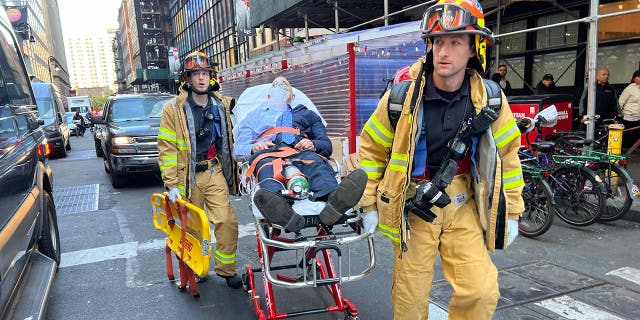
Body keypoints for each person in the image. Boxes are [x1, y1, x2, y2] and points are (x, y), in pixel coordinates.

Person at [358, 0, 525, 318]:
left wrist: (513, 211)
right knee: (411, 301)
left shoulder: (490, 98)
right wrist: (367, 203)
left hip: (462, 205)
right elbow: (371, 150)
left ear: (475, 48)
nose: (443, 51)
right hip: (413, 206)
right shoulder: (402, 97)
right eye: (437, 42)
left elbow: (508, 157)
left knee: (481, 291)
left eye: (455, 42)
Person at [233, 76, 368, 233]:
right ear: (269, 96)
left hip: (302, 153)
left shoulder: (307, 115)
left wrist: (313, 144)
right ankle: (284, 212)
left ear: (293, 96)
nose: (281, 88)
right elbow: (238, 149)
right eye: (276, 86)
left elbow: (326, 146)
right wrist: (254, 147)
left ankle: (335, 202)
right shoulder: (253, 117)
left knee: (318, 167)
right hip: (269, 155)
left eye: (285, 87)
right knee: (269, 177)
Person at [157, 51, 242, 288]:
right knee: (193, 228)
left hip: (213, 172)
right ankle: (197, 266)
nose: (201, 78)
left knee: (226, 220)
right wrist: (172, 185)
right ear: (188, 78)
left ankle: (226, 270)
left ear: (211, 76)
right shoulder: (173, 109)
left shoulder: (223, 105)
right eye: (196, 74)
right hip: (189, 177)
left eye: (205, 73)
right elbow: (167, 149)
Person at [618, 70, 640, 148]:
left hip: (638, 117)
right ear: (634, 78)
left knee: (636, 138)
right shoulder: (629, 88)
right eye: (638, 77)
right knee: (627, 137)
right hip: (628, 117)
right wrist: (619, 116)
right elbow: (620, 102)